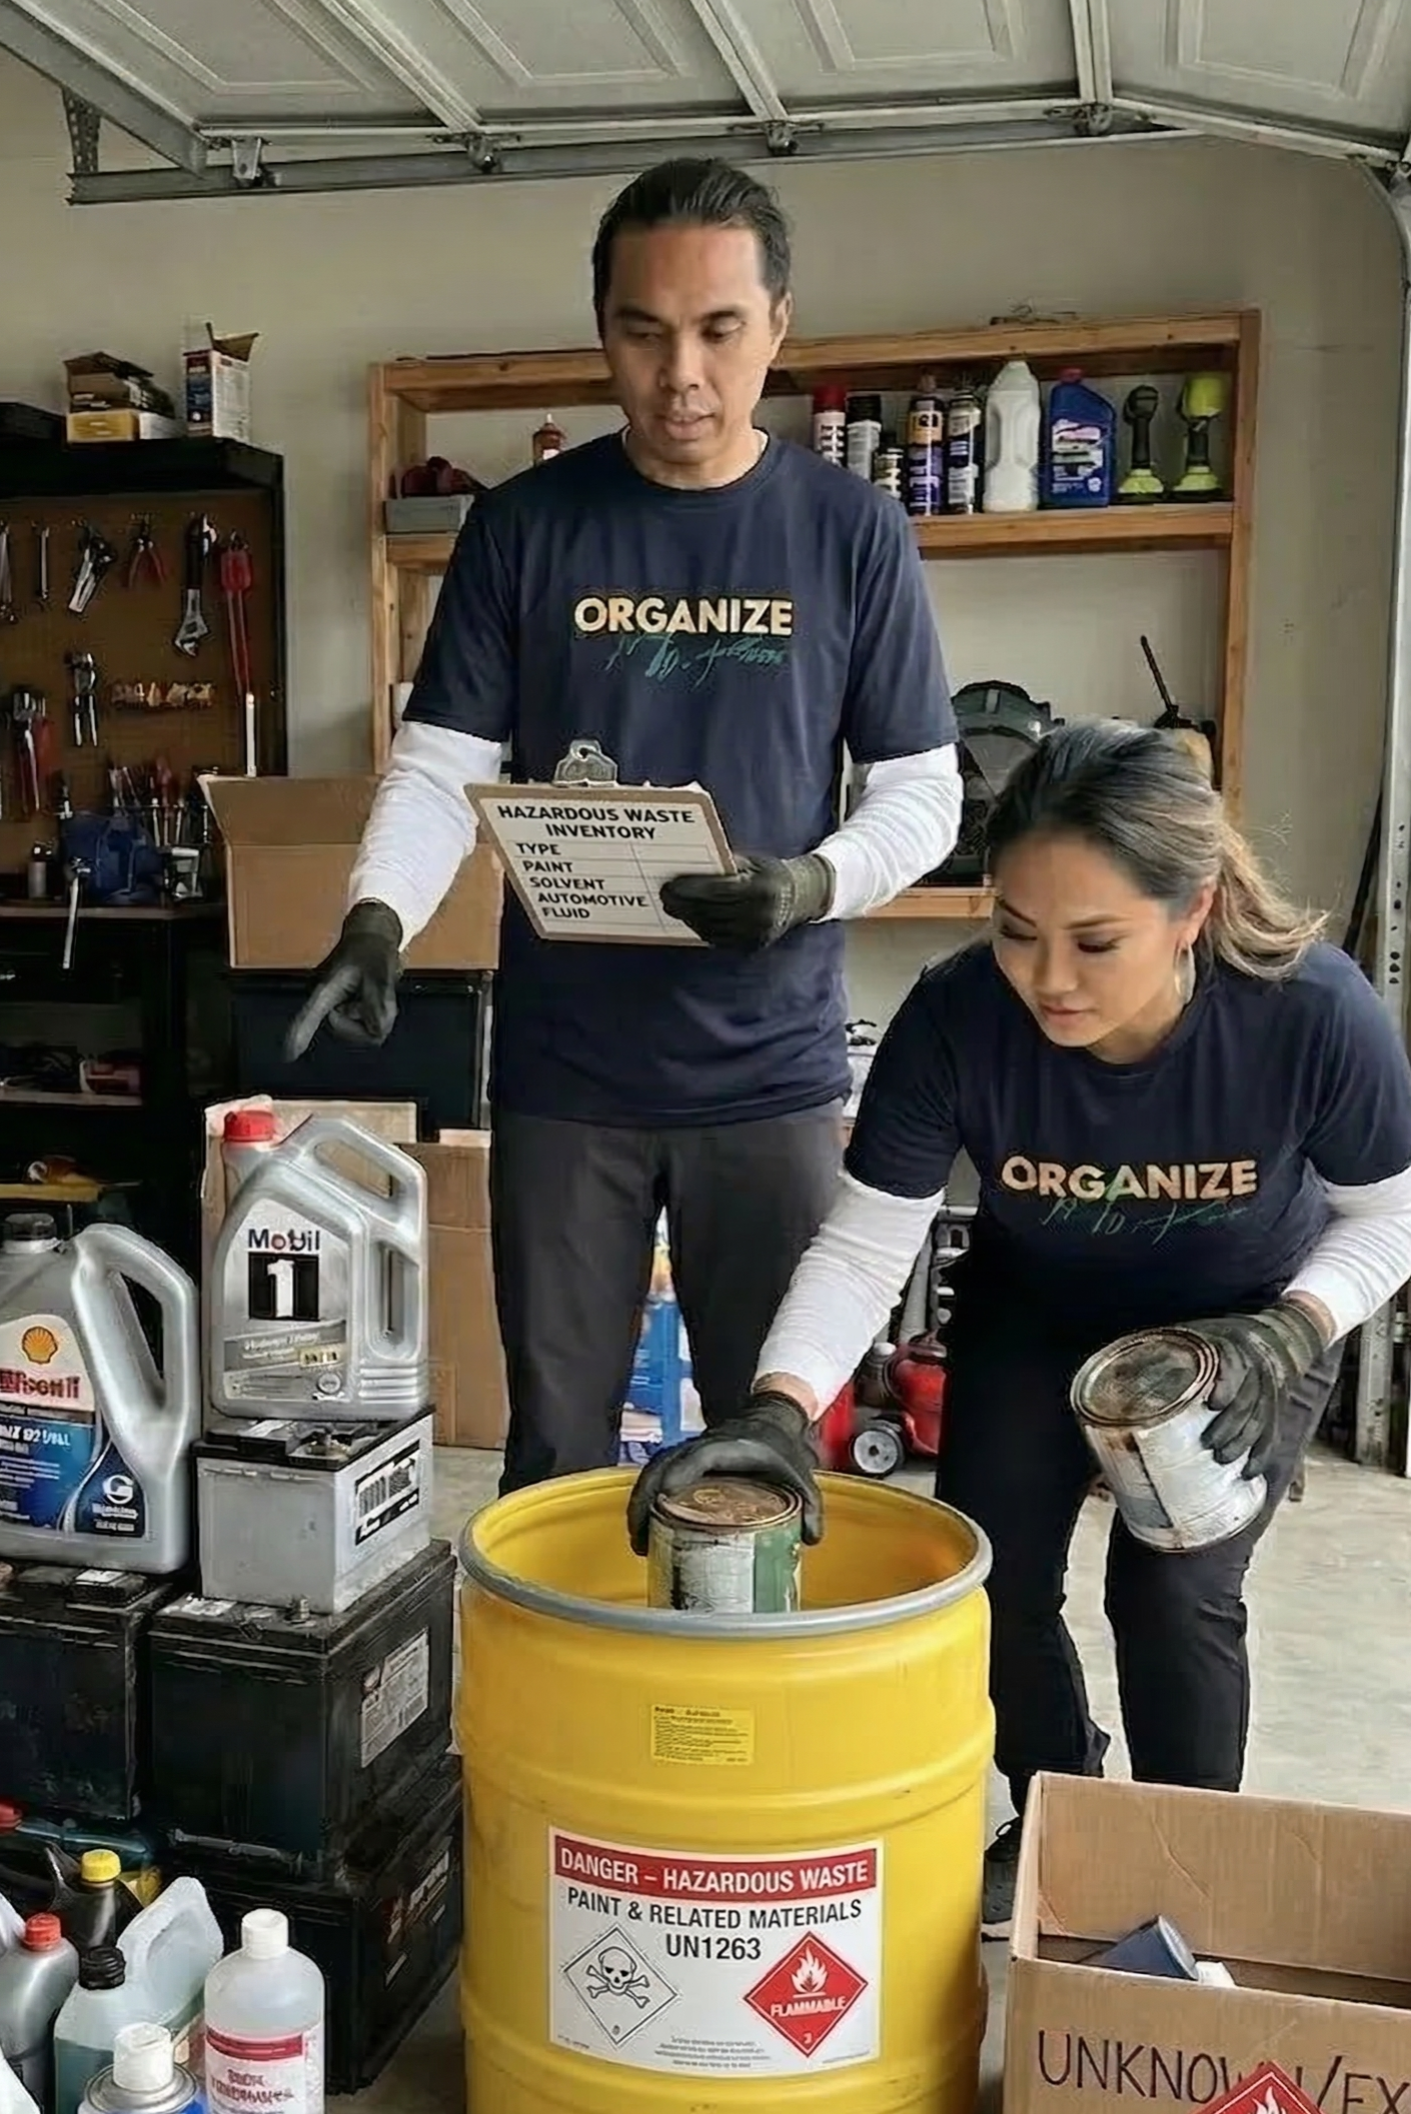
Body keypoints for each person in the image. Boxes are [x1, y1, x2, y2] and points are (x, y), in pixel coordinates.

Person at [629, 719, 1411, 1937]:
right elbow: (865, 1240)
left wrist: (1291, 1332)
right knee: (990, 1578)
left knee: (1171, 1593)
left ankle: (1185, 1869)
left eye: (1094, 942)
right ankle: (1056, 1819)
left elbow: (1388, 1214)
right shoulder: (953, 1022)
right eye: (1013, 931)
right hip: (1033, 1310)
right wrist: (777, 1406)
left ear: (1189, 910)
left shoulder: (1310, 1015)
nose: (1048, 979)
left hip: (1236, 1332)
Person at [286, 157, 963, 1494]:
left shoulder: (847, 531)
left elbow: (924, 791)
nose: (682, 377)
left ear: (775, 323)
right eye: (642, 333)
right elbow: (436, 770)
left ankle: (743, 1705)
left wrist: (808, 883)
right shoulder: (523, 527)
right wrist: (375, 917)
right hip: (563, 1080)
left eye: (718, 331)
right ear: (601, 329)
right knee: (551, 1452)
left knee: (764, 1458)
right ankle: (565, 1707)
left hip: (765, 1077)